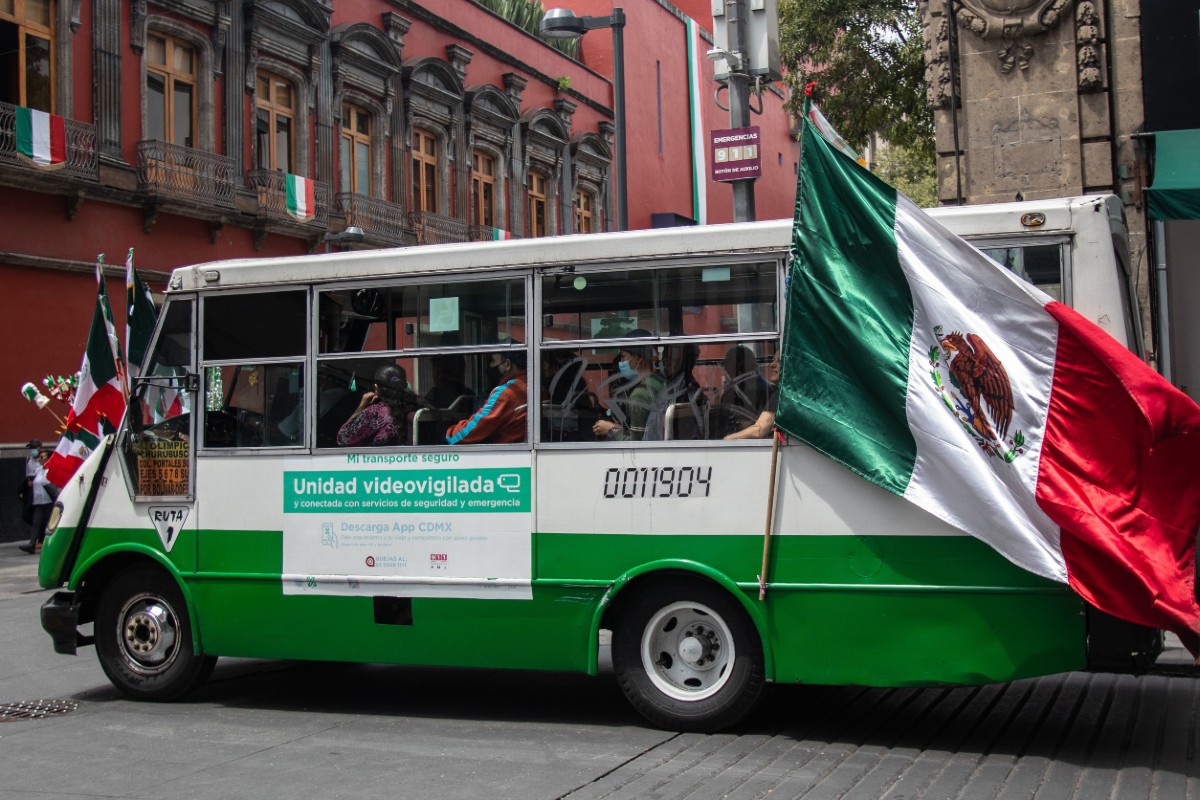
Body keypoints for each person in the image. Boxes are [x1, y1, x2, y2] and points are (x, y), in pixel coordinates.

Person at [592, 330, 666, 441]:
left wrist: (609, 431)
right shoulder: (659, 380)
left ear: (638, 358)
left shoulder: (640, 394)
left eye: (623, 357)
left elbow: (634, 443)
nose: (621, 362)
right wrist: (616, 428)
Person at [445, 350, 528, 444]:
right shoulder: (532, 385)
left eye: (492, 361)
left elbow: (474, 429)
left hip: (504, 454)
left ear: (507, 364)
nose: (489, 366)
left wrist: (450, 433)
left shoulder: (506, 393)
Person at [337, 364, 425, 446]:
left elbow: (343, 438)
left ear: (376, 387)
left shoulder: (377, 412)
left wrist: (362, 405)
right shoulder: (416, 407)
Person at [717, 344, 774, 438]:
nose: (725, 369)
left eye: (728, 365)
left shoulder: (746, 390)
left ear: (739, 365)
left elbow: (750, 424)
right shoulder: (769, 387)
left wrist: (730, 437)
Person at [19, 448, 54, 554]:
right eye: (39, 456)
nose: (40, 458)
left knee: (51, 524)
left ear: (48, 458)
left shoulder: (52, 469)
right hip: (39, 501)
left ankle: (53, 543)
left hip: (50, 501)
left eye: (42, 456)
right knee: (36, 522)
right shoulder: (39, 470)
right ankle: (32, 544)